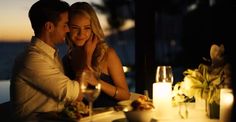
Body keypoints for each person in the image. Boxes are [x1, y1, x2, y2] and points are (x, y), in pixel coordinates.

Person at [10, 0, 83, 121]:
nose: (68, 30)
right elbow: (76, 94)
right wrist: (89, 55)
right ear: (49, 27)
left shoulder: (51, 55)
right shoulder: (33, 60)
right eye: (65, 25)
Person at [63, 2, 130, 107]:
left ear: (93, 29)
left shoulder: (108, 55)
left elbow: (125, 95)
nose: (81, 34)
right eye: (75, 28)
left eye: (87, 28)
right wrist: (88, 55)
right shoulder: (67, 60)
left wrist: (98, 83)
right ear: (67, 29)